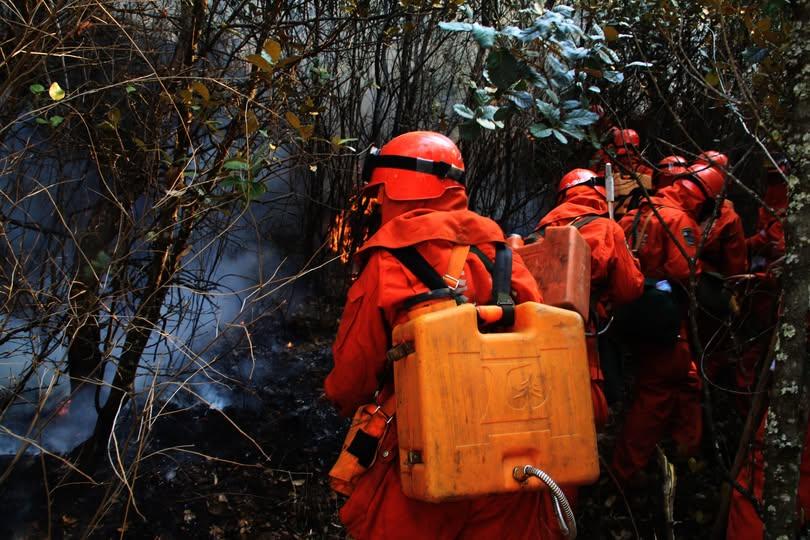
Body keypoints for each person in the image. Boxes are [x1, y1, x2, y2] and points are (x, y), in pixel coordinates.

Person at [325, 131, 563, 539]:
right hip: (513, 456)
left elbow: (352, 378)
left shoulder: (388, 263)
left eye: (378, 195)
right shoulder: (501, 255)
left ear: (391, 189)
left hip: (423, 457)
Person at [611, 164, 725, 485]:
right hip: (661, 318)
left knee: (686, 378)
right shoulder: (678, 220)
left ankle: (685, 449)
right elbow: (684, 272)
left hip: (635, 311)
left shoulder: (640, 210)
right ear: (706, 199)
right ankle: (625, 473)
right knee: (657, 392)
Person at [532, 168, 644, 424]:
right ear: (600, 193)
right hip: (584, 332)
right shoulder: (607, 228)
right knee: (585, 406)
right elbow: (630, 289)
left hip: (537, 330)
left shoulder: (538, 234)